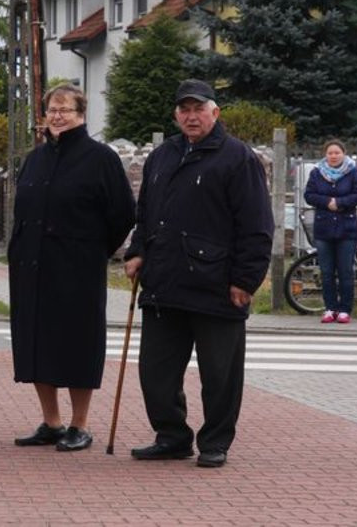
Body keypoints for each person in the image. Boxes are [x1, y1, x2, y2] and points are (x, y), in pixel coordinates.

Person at [123, 79, 273, 468]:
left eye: (199, 109)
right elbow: (146, 215)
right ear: (176, 115)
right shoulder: (162, 157)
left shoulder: (237, 158)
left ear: (215, 112)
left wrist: (245, 280)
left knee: (220, 375)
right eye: (184, 109)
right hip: (164, 283)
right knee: (155, 373)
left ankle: (215, 442)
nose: (191, 116)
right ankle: (171, 436)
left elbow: (257, 227)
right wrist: (138, 251)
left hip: (217, 287)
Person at [9, 84, 136, 452]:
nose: (57, 115)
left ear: (81, 114)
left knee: (77, 345)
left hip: (77, 269)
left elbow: (123, 214)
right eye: (52, 109)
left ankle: (79, 424)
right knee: (36, 344)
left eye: (65, 109)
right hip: (32, 268)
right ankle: (51, 421)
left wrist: (94, 250)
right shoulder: (35, 159)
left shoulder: (101, 159)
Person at [304, 139, 357, 324]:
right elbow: (309, 195)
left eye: (337, 153)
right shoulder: (316, 173)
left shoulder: (354, 172)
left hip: (347, 229)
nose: (333, 156)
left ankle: (345, 309)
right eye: (330, 153)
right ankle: (330, 308)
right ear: (325, 155)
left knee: (346, 271)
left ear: (343, 154)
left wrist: (340, 203)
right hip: (323, 229)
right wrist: (326, 202)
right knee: (327, 271)